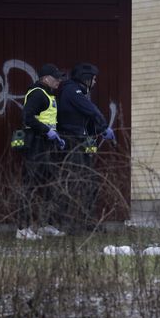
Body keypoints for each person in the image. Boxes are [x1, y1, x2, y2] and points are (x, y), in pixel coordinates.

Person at [56, 62, 115, 232]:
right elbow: (91, 110)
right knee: (76, 182)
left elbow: (84, 119)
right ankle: (71, 223)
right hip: (73, 142)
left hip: (80, 140)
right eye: (93, 79)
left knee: (89, 182)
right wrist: (104, 127)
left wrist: (97, 130)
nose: (95, 82)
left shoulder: (77, 92)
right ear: (85, 78)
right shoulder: (72, 91)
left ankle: (88, 221)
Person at [17, 63, 66, 240]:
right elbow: (27, 117)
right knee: (29, 186)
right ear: (45, 78)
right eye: (56, 77)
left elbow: (48, 119)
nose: (59, 81)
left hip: (47, 145)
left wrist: (56, 136)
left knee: (49, 187)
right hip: (36, 145)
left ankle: (47, 224)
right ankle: (22, 229)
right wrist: (47, 131)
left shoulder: (49, 94)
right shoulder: (38, 93)